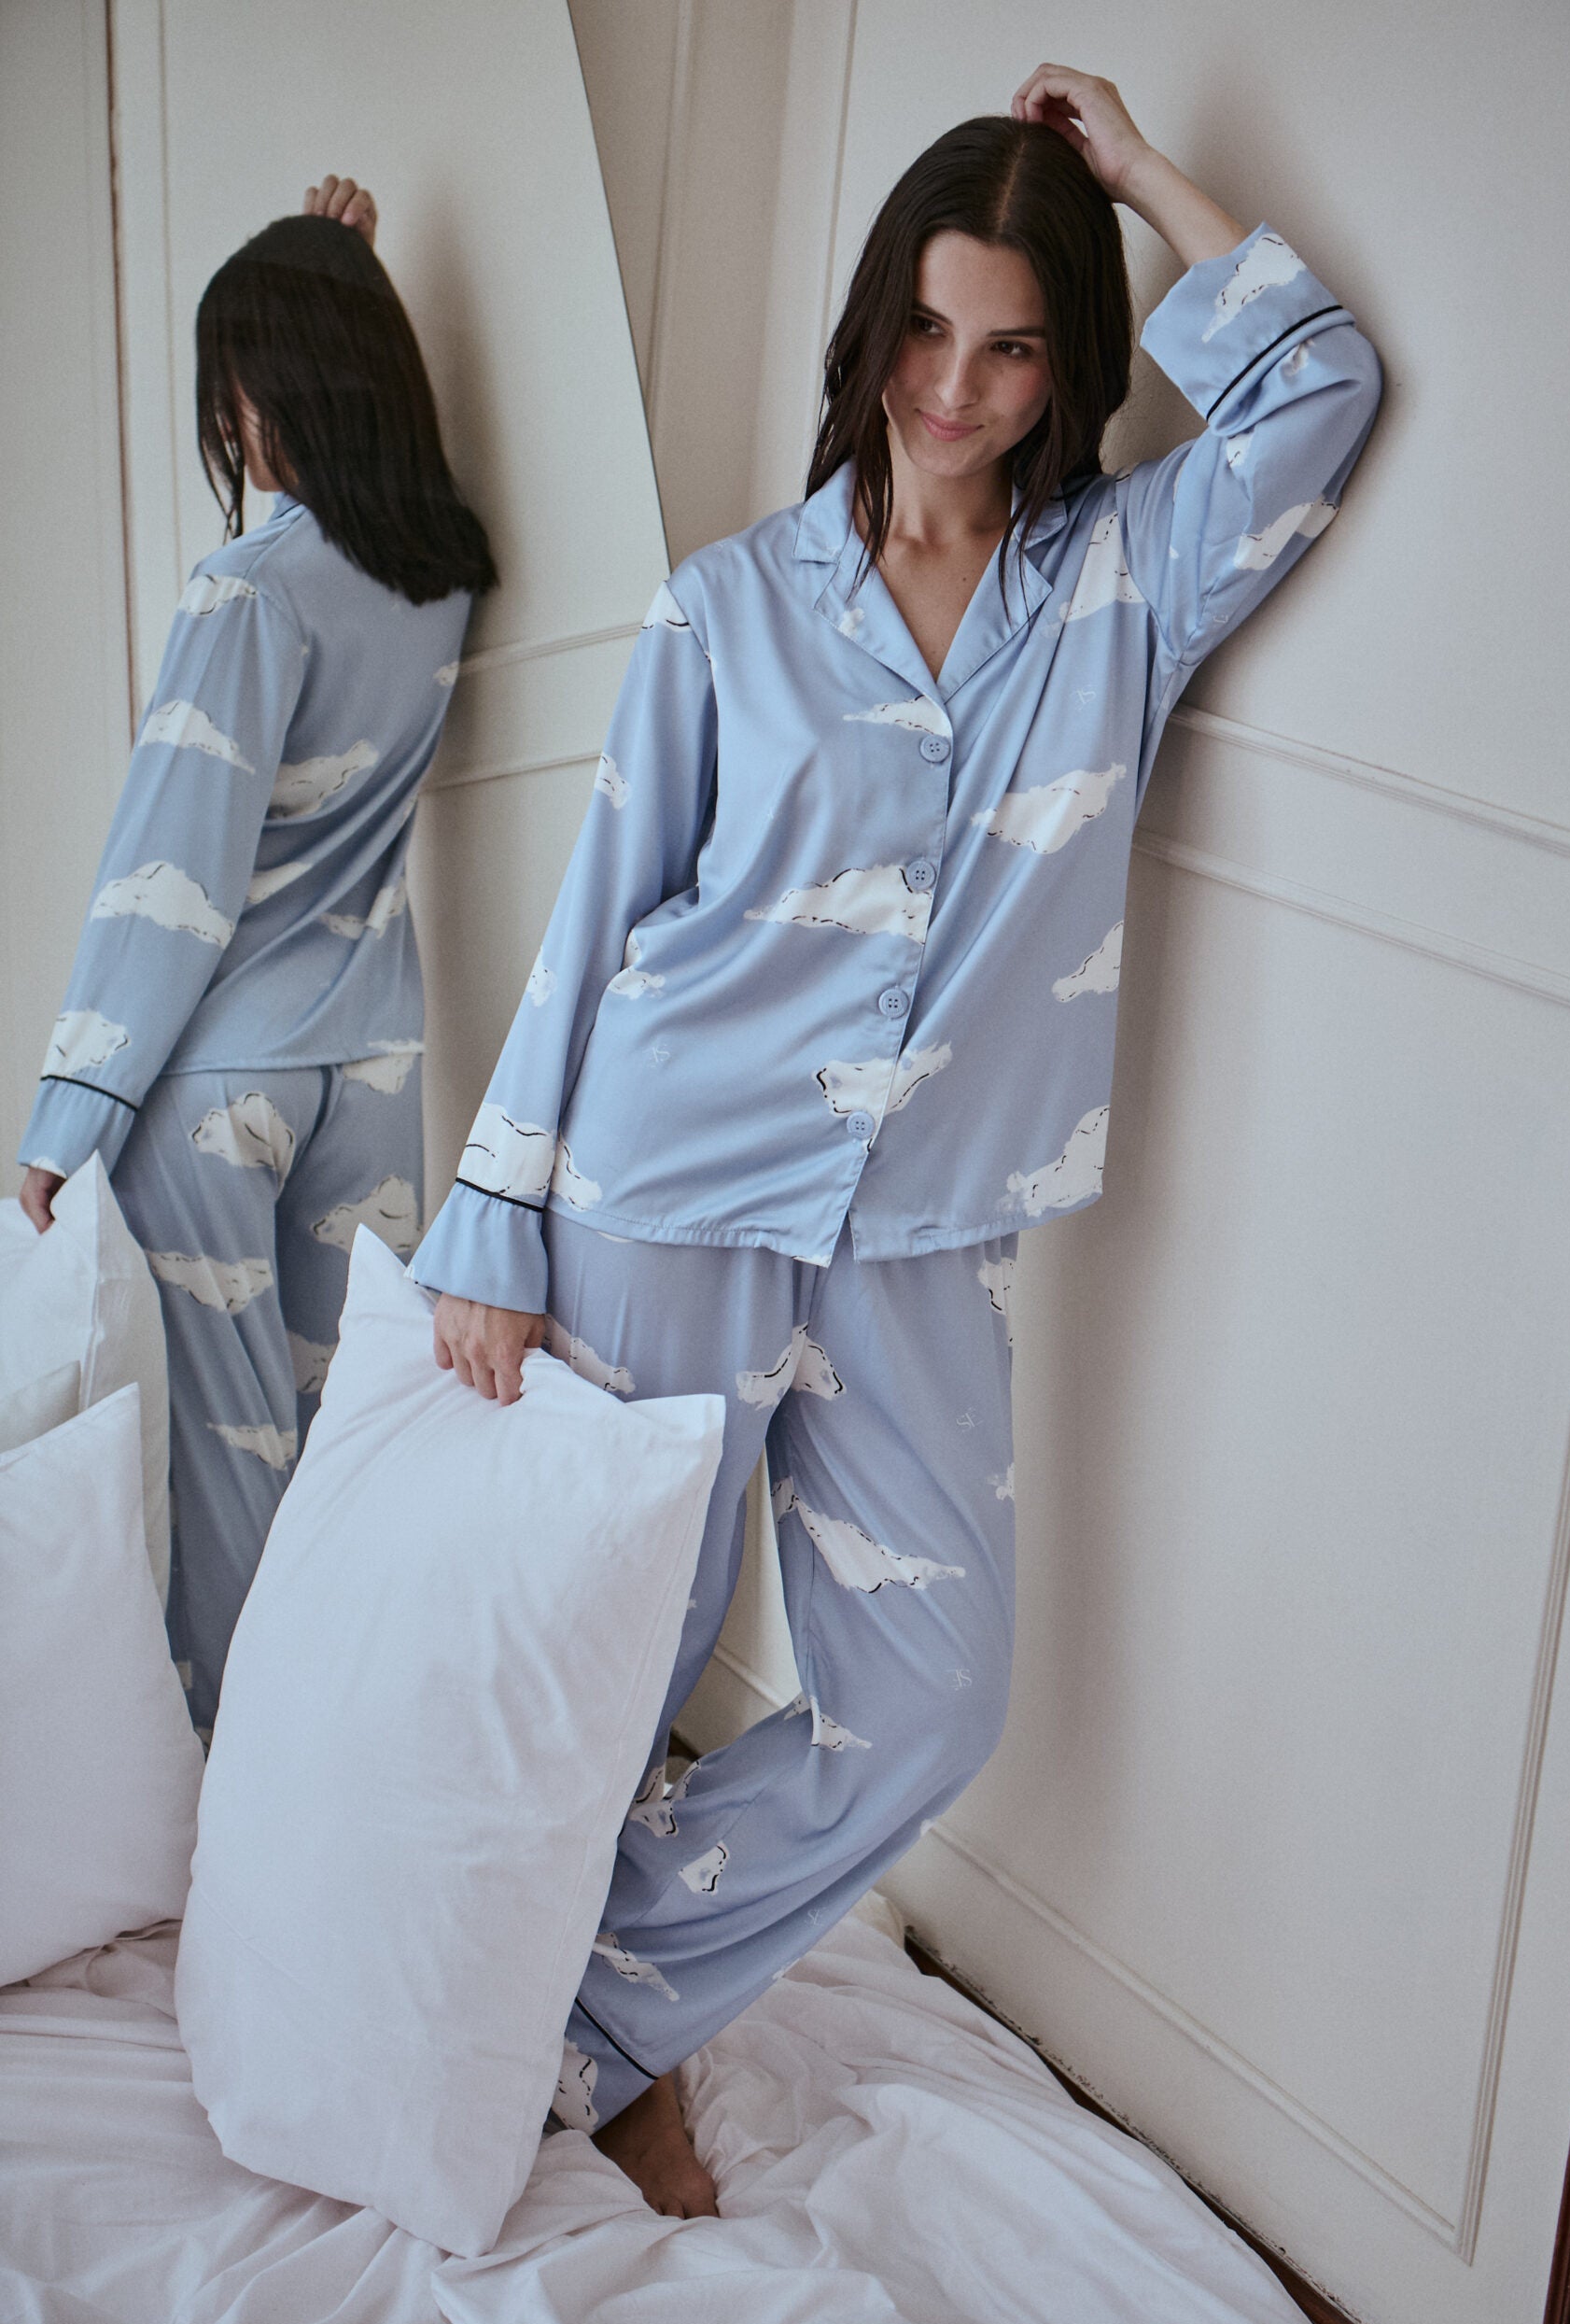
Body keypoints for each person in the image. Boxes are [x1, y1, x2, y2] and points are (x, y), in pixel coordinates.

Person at [409, 67, 1382, 2215]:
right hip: (664, 1182)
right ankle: (521, 2024)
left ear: (1068, 363)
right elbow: (598, 922)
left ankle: (600, 2003)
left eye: (1011, 342)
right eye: (925, 332)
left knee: (929, 1693)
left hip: (926, 1224)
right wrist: (494, 1215)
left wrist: (1124, 171)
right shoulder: (727, 608)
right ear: (869, 332)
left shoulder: (1122, 585)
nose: (953, 389)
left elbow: (1315, 383)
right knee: (616, 1660)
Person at [17, 177, 497, 1735]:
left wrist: (61, 1125)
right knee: (344, 1440)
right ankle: (351, 1756)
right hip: (367, 1072)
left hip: (221, 1087)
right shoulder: (440, 584)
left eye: (237, 387)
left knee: (229, 1475)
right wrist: (338, 269)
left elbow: (166, 885)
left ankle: (246, 1797)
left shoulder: (245, 596)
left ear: (267, 395)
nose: (231, 420)